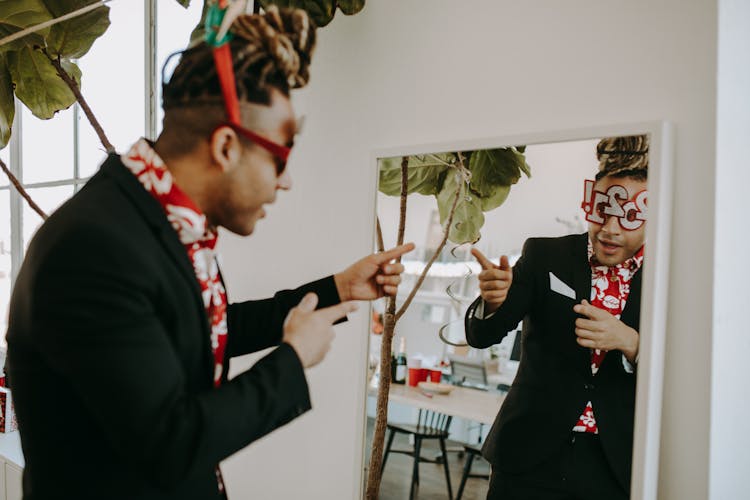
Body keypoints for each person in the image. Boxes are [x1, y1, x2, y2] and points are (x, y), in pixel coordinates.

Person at [5, 7, 413, 500]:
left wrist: (337, 289)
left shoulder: (159, 221)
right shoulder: (93, 247)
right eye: (281, 155)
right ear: (225, 146)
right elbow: (170, 445)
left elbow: (203, 332)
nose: (286, 181)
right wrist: (291, 360)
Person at [465, 134, 649, 500]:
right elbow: (483, 336)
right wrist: (493, 302)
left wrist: (631, 343)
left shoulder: (670, 279)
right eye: (603, 211)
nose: (611, 229)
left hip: (615, 466)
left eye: (629, 217)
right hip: (527, 456)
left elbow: (688, 376)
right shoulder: (544, 255)